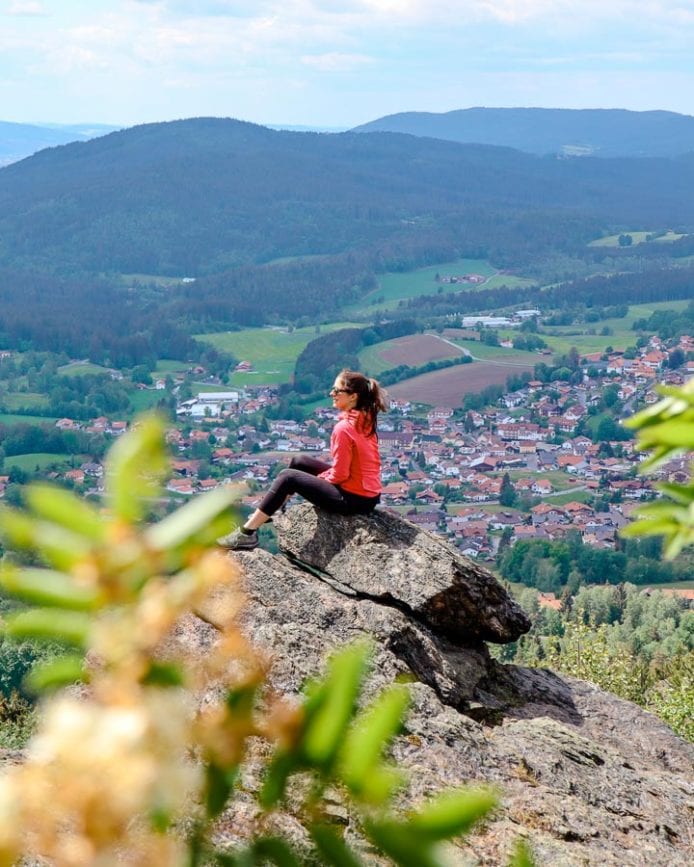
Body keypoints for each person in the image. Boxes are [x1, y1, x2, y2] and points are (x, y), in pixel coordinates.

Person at [217, 369, 388, 550]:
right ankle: (268, 511)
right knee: (299, 461)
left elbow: (341, 474)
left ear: (353, 397)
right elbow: (346, 471)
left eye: (337, 391)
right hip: (368, 495)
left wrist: (320, 479)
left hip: (354, 500)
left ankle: (247, 534)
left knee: (288, 477)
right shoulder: (365, 420)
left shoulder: (344, 428)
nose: (332, 393)